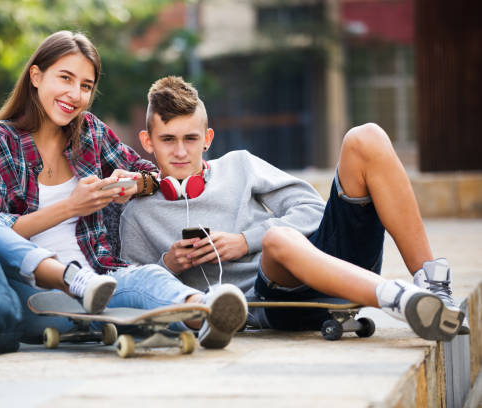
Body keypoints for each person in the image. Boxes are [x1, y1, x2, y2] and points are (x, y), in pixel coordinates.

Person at [119, 76, 467, 341]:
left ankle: (435, 289)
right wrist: (168, 264)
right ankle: (399, 298)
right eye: (168, 140)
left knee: (366, 137)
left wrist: (245, 240)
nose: (180, 151)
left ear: (207, 139)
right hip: (274, 302)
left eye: (190, 139)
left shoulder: (240, 165)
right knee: (279, 241)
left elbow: (312, 210)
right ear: (148, 142)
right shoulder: (137, 214)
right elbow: (135, 290)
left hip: (332, 263)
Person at [0, 31, 246, 348]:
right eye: (65, 78)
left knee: (147, 278)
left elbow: (148, 171)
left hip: (100, 279)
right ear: (36, 76)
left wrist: (133, 184)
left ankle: (208, 312)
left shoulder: (90, 132)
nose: (75, 94)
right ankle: (75, 285)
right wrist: (71, 207)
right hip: (30, 291)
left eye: (85, 86)